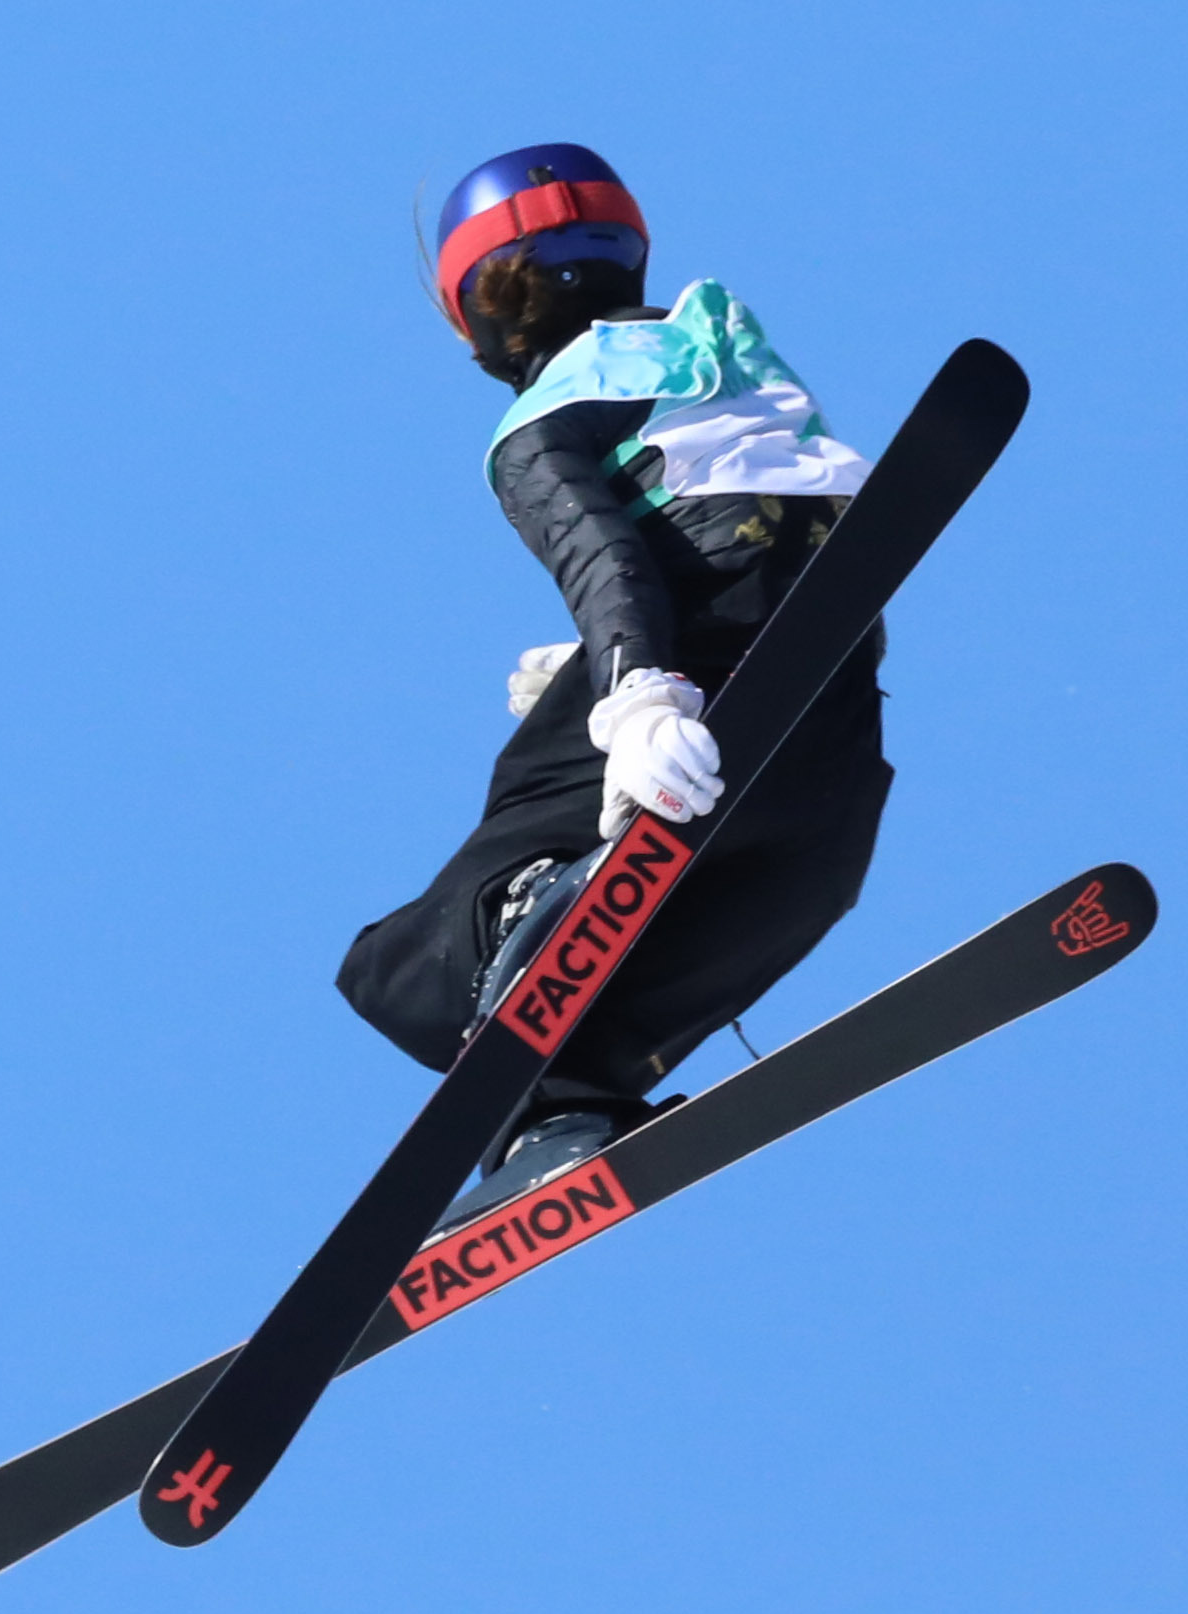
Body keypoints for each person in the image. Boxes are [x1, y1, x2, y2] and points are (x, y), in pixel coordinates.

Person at [337, 142, 893, 1182]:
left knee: (396, 966)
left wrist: (634, 685)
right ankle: (566, 1111)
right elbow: (731, 512)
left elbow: (608, 555)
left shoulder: (537, 422)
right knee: (757, 893)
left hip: (711, 678)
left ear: (484, 307)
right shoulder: (720, 352)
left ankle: (525, 917)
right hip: (830, 745)